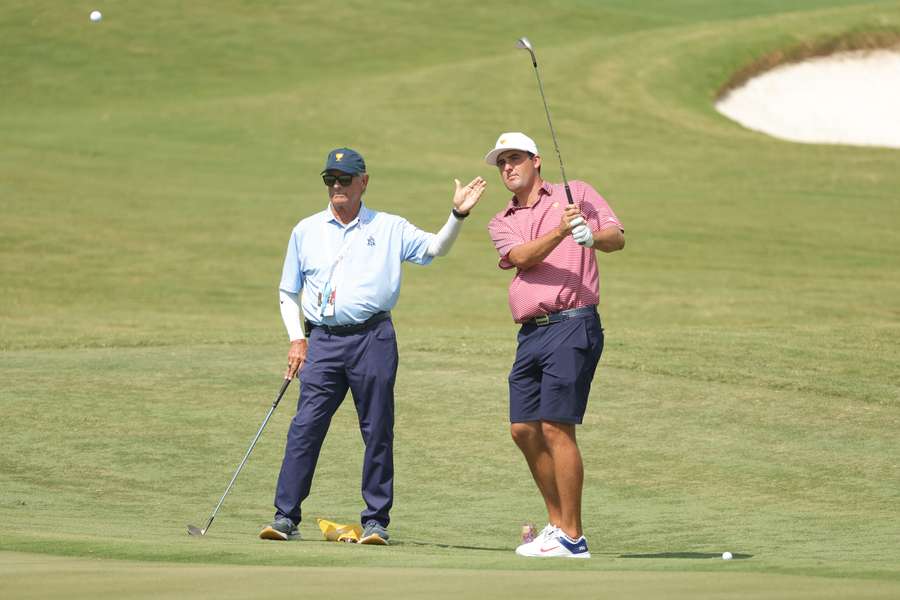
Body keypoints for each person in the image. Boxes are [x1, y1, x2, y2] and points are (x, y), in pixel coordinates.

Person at [260, 147, 486, 544]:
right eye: (330, 179)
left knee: (378, 429)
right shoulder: (306, 230)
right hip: (323, 341)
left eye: (344, 179)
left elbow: (434, 249)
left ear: (363, 182)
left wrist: (458, 215)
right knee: (305, 429)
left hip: (373, 339)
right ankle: (285, 516)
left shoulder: (389, 227)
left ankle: (376, 521)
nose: (336, 186)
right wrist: (297, 338)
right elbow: (287, 291)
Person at [485, 132, 625, 559]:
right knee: (523, 428)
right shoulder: (501, 219)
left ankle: (574, 536)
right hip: (531, 333)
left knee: (555, 426)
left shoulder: (575, 192)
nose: (508, 167)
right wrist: (563, 230)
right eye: (502, 163)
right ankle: (557, 526)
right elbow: (523, 257)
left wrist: (590, 237)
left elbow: (616, 236)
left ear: (537, 160)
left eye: (515, 159)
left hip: (572, 323)